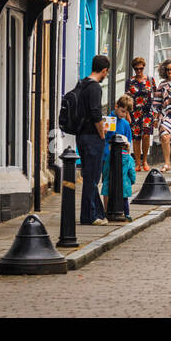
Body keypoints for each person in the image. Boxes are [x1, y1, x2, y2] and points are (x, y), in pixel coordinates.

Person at [74, 55, 109, 225]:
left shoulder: (82, 83)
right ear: (103, 70)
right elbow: (95, 112)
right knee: (92, 177)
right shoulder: (95, 87)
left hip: (81, 135)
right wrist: (102, 133)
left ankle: (96, 213)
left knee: (89, 175)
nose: (106, 76)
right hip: (92, 136)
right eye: (106, 73)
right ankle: (90, 216)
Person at [101, 95, 136, 219]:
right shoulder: (107, 120)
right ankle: (107, 211)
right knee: (107, 183)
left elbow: (128, 141)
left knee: (120, 184)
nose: (123, 114)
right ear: (116, 106)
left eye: (126, 112)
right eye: (122, 111)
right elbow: (103, 138)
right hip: (107, 157)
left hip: (121, 159)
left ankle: (120, 209)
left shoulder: (125, 124)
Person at [125, 57, 156, 171]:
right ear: (134, 69)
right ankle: (137, 162)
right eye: (136, 69)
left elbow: (155, 96)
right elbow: (127, 98)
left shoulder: (150, 80)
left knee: (146, 135)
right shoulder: (130, 81)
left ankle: (145, 160)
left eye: (141, 68)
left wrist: (156, 114)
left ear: (144, 67)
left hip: (147, 112)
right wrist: (127, 114)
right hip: (134, 112)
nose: (139, 71)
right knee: (136, 138)